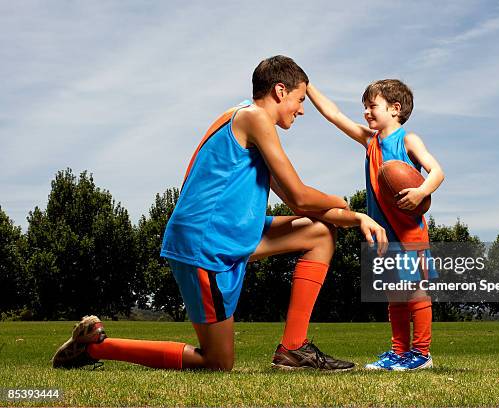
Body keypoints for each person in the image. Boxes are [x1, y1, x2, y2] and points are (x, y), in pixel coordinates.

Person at [52, 55, 387, 372]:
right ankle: (95, 346)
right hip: (204, 245)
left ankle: (293, 349)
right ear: (280, 91)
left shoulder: (247, 120)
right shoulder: (254, 117)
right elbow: (300, 197)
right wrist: (341, 203)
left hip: (231, 234)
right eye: (300, 100)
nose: (301, 110)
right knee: (217, 361)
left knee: (320, 232)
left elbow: (294, 198)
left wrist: (355, 217)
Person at [307, 79, 444, 370]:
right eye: (364, 108)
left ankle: (422, 354)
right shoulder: (370, 141)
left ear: (395, 109)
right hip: (384, 234)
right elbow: (334, 115)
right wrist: (307, 87)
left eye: (372, 106)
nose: (366, 113)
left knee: (416, 291)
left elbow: (437, 171)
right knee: (395, 294)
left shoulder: (409, 140)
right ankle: (399, 352)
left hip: (409, 233)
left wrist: (421, 191)